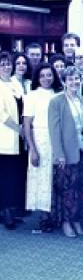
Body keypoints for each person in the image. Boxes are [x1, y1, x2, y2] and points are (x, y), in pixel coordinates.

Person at [48, 66, 83, 237]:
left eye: (77, 79)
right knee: (67, 190)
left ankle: (77, 221)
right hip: (66, 154)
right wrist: (59, 154)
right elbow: (54, 130)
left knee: (82, 188)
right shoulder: (56, 102)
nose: (75, 82)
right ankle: (67, 222)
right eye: (70, 79)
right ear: (63, 82)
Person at [23, 63, 62, 231]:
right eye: (42, 75)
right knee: (41, 178)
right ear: (37, 78)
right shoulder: (31, 96)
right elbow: (26, 124)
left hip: (57, 139)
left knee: (57, 178)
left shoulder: (59, 94)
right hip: (39, 139)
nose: (46, 78)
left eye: (49, 75)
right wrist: (32, 149)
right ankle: (44, 217)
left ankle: (56, 215)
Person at [0, 51, 27, 229]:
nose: (6, 67)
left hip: (19, 138)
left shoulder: (16, 83)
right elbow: (1, 115)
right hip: (5, 136)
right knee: (5, 176)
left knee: (15, 175)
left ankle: (9, 209)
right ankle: (5, 212)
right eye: (2, 64)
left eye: (8, 63)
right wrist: (19, 128)